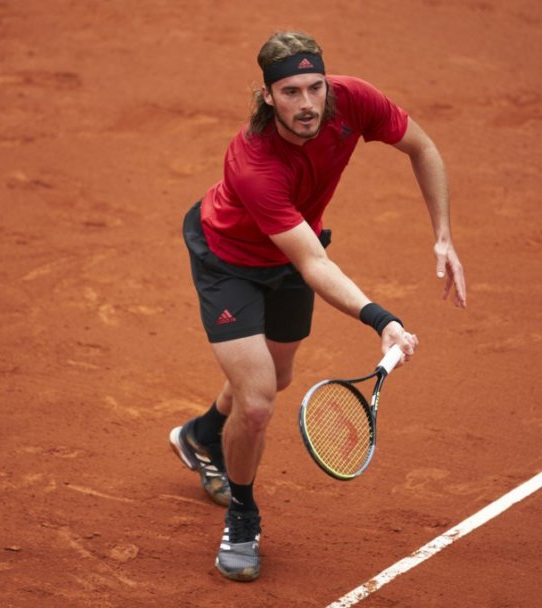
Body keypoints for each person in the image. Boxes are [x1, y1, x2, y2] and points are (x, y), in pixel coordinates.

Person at [168, 30, 466, 582]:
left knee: (275, 376)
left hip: (293, 251)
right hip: (228, 261)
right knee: (257, 404)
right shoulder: (255, 163)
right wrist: (383, 319)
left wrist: (443, 234)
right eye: (290, 93)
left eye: (315, 88)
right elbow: (314, 265)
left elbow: (422, 147)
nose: (307, 105)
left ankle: (203, 435)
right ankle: (242, 514)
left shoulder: (353, 101)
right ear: (266, 97)